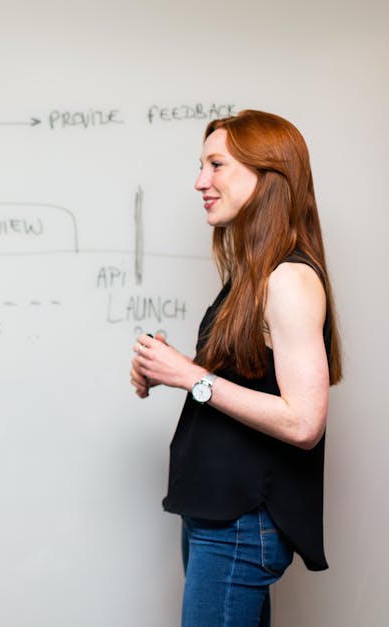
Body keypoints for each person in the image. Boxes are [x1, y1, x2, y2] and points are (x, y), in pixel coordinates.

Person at [129, 110, 341, 626]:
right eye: (202, 165)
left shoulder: (288, 279)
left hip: (242, 523)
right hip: (221, 516)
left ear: (268, 175)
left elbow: (304, 422)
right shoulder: (254, 275)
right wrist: (168, 369)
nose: (200, 181)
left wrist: (188, 375)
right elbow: (242, 382)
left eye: (216, 164)